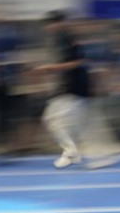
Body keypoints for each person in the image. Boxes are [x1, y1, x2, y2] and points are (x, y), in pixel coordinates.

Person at [35, 10, 91, 169]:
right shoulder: (59, 39)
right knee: (58, 121)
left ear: (59, 23)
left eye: (51, 23)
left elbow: (78, 61)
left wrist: (51, 68)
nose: (48, 27)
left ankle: (70, 152)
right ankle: (72, 152)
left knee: (53, 120)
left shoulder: (66, 38)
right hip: (66, 88)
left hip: (73, 88)